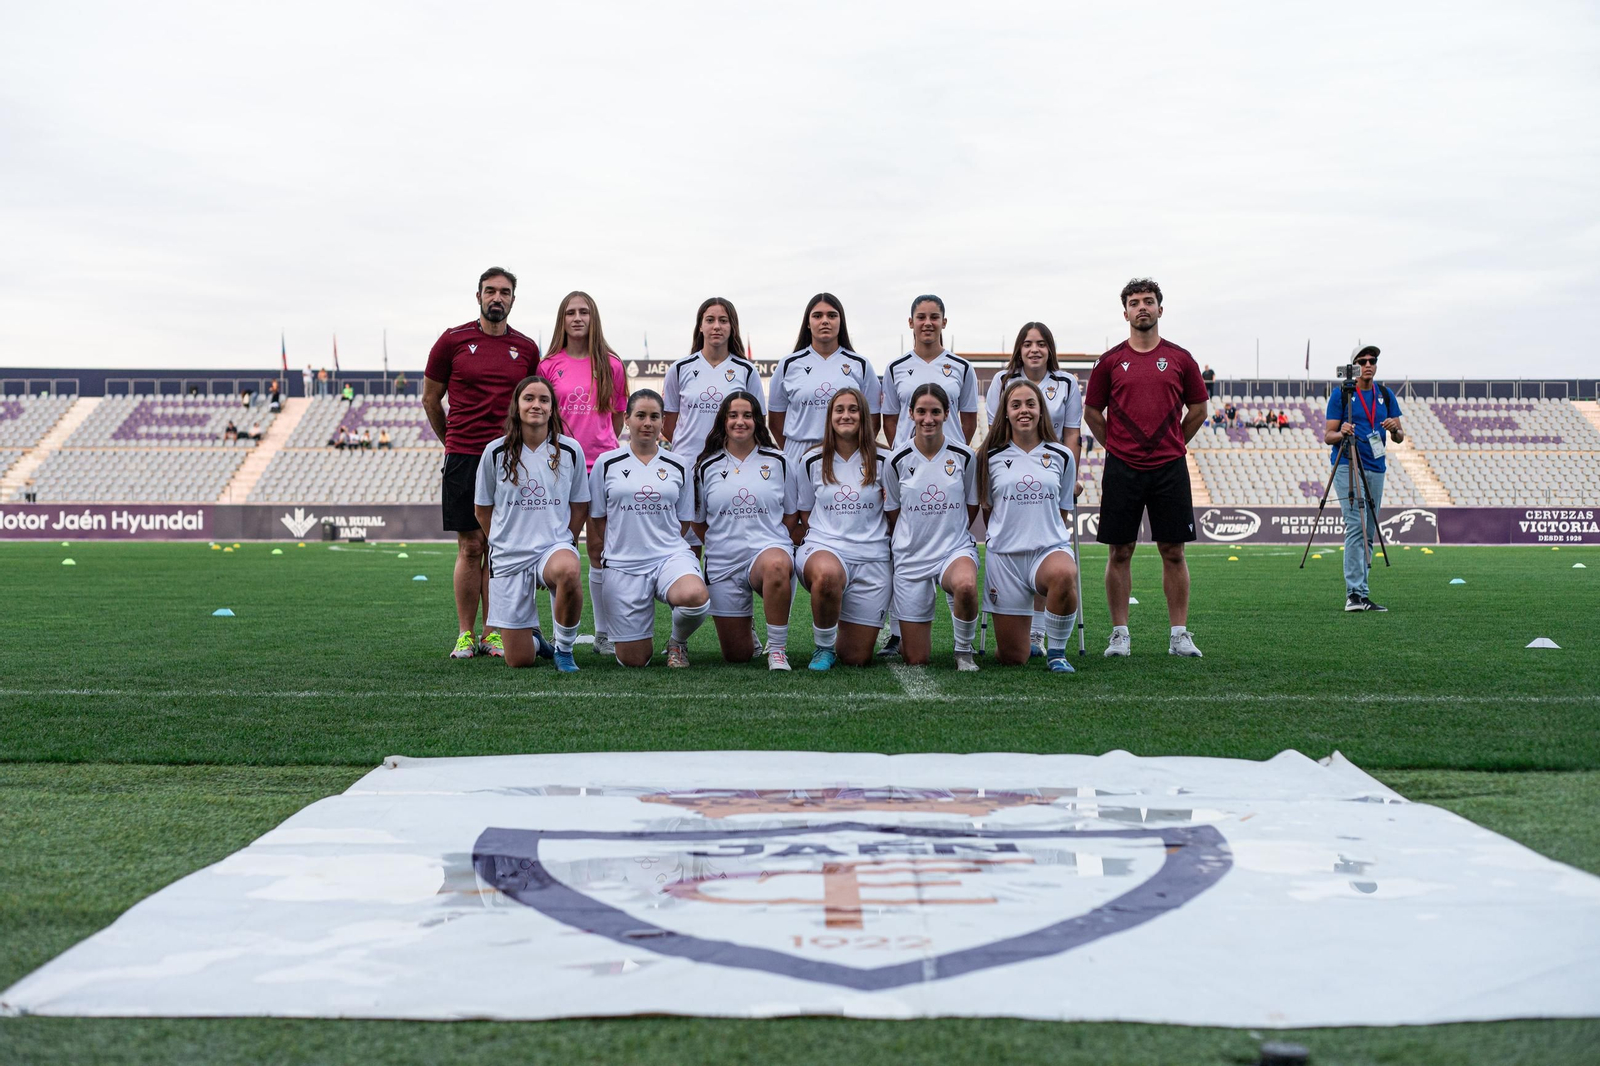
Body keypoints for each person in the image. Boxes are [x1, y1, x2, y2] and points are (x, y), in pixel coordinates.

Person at [1083, 277, 1209, 659]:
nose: (1142, 307)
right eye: (1135, 302)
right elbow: (1092, 412)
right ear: (1125, 312)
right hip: (1123, 468)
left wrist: (1174, 444)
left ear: (1160, 309)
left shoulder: (1181, 358)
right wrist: (1116, 447)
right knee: (1119, 551)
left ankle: (1179, 635)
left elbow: (1199, 410)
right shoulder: (1109, 362)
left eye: (1149, 301)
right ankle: (1119, 635)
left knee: (1174, 551)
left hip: (1169, 467)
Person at [423, 266, 541, 661]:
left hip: (510, 460)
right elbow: (430, 399)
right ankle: (464, 634)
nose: (497, 298)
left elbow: (533, 401)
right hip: (464, 457)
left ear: (512, 299)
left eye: (505, 292)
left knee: (500, 548)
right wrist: (453, 442)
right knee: (471, 546)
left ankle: (493, 633)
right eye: (490, 291)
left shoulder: (526, 348)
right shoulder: (452, 340)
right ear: (478, 296)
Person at [473, 374, 589, 672]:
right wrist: (501, 540)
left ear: (552, 408)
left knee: (568, 568)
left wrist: (568, 543)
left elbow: (580, 505)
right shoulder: (495, 452)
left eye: (544, 399)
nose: (536, 404)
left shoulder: (571, 450)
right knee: (519, 660)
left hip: (552, 546)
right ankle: (539, 643)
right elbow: (482, 508)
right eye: (529, 398)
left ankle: (564, 649)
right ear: (517, 406)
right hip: (509, 556)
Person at [587, 390, 711, 667]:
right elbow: (597, 518)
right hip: (623, 564)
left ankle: (677, 643)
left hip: (668, 556)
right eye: (640, 415)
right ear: (626, 419)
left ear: (663, 422)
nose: (647, 423)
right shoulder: (606, 464)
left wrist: (657, 542)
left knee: (695, 597)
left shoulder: (678, 465)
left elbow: (683, 520)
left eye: (654, 416)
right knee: (634, 660)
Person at [985, 321, 1085, 656]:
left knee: (1052, 552)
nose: (1034, 349)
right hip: (1013, 474)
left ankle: (1043, 638)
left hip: (1049, 469)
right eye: (1027, 343)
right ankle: (1020, 635)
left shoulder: (1067, 383)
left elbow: (1072, 434)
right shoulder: (1001, 382)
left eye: (1041, 343)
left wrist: (1069, 474)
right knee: (1012, 660)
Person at [542, 291, 629, 658]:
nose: (577, 318)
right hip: (561, 466)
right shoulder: (548, 365)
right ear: (562, 319)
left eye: (584, 312)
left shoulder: (611, 364)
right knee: (558, 547)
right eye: (570, 312)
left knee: (599, 549)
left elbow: (617, 416)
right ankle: (556, 632)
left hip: (601, 467)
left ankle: (604, 633)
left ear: (594, 318)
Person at [685, 390, 798, 670]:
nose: (740, 421)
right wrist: (724, 541)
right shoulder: (705, 466)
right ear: (723, 421)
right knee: (737, 656)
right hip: (724, 562)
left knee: (776, 563)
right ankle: (747, 627)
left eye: (747, 415)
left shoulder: (779, 461)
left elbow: (792, 515)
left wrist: (771, 540)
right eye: (733, 415)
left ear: (758, 421)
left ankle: (778, 649)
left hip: (766, 554)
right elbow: (698, 521)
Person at [883, 383, 981, 671]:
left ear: (947, 414)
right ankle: (905, 639)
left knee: (965, 585)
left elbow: (971, 505)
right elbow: (894, 512)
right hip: (911, 556)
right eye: (922, 411)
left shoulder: (964, 456)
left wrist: (951, 531)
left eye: (935, 412)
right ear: (911, 413)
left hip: (953, 549)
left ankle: (964, 651)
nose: (928, 418)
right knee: (916, 658)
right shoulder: (896, 459)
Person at [794, 386, 891, 670]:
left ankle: (841, 636)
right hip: (825, 547)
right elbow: (804, 513)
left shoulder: (886, 459)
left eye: (853, 409)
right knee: (826, 576)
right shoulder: (811, 459)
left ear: (864, 416)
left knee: (856, 658)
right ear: (830, 417)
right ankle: (823, 647)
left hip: (872, 558)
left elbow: (895, 513)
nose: (846, 415)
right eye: (839, 410)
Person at [1324, 344, 1404, 612]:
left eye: (1373, 360)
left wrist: (1395, 430)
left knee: (1368, 531)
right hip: (1348, 463)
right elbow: (1328, 436)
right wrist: (1343, 431)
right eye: (1363, 360)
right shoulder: (1342, 395)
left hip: (1376, 465)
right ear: (1355, 366)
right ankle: (1354, 594)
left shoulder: (1385, 394)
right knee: (1356, 525)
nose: (1369, 364)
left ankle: (1362, 593)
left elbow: (1399, 436)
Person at [768, 293, 880, 470]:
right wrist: (796, 450)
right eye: (817, 316)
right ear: (807, 323)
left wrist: (851, 448)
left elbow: (872, 419)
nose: (825, 321)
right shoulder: (788, 365)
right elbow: (775, 420)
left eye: (832, 315)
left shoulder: (860, 365)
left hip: (846, 454)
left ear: (841, 321)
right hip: (799, 454)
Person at [881, 296, 978, 448]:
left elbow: (970, 421)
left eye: (934, 317)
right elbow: (889, 421)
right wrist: (903, 451)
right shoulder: (895, 368)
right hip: (908, 464)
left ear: (943, 322)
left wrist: (954, 451)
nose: (927, 323)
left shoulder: (962, 367)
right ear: (911, 322)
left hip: (949, 462)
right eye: (921, 317)